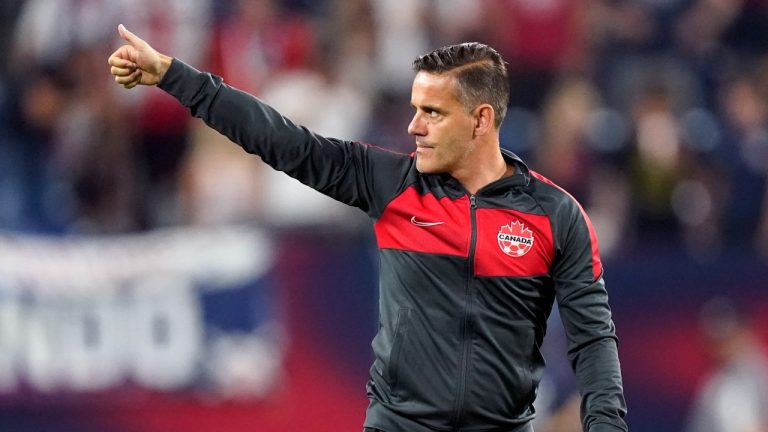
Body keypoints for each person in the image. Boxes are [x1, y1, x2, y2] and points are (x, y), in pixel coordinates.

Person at [108, 24, 627, 432]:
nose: (413, 127)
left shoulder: (556, 215)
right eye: (414, 110)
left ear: (481, 120)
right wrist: (174, 75)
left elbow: (593, 341)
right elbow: (283, 141)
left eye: (432, 113)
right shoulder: (392, 184)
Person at [685, 297, 768, 432]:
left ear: (745, 332)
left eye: (726, 338)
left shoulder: (740, 381)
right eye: (714, 339)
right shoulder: (721, 380)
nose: (721, 347)